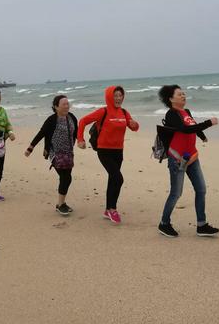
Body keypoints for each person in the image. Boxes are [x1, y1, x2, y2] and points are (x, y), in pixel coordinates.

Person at [156, 85, 219, 238]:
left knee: (201, 189)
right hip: (177, 158)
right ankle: (164, 224)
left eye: (184, 93)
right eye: (179, 94)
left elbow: (193, 126)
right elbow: (184, 130)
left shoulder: (187, 112)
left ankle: (201, 225)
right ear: (171, 99)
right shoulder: (171, 113)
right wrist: (209, 123)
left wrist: (202, 136)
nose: (183, 95)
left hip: (192, 156)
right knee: (176, 193)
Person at [76, 86, 139, 224]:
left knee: (113, 179)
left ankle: (107, 209)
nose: (118, 98)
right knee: (118, 178)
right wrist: (80, 139)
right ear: (110, 97)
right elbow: (83, 121)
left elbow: (133, 127)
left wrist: (135, 124)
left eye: (120, 95)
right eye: (115, 95)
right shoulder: (103, 111)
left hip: (118, 151)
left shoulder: (124, 112)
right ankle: (112, 209)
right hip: (104, 151)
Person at [25, 95, 78, 215]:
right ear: (56, 106)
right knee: (66, 177)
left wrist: (81, 141)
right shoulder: (51, 120)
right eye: (63, 104)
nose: (66, 106)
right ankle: (60, 204)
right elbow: (41, 133)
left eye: (67, 103)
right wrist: (30, 148)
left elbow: (77, 132)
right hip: (55, 153)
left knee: (67, 177)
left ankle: (61, 203)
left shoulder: (72, 117)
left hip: (69, 153)